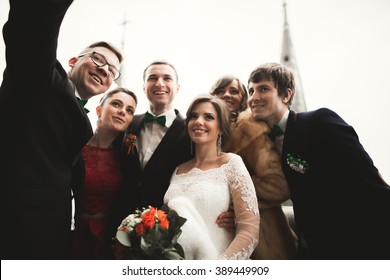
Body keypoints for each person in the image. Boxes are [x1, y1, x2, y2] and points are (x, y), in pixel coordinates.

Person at [0, 0, 123, 259]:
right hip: (15, 236)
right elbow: (32, 27)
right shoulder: (41, 79)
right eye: (98, 59)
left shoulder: (86, 122)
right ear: (72, 61)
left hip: (55, 241)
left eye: (112, 70)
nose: (104, 69)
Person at [247, 62, 390, 259]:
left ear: (286, 95)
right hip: (313, 250)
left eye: (263, 89)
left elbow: (369, 180)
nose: (254, 97)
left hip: (359, 244)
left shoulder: (319, 122)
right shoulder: (261, 143)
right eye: (251, 91)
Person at [108, 61, 235, 247]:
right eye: (153, 78)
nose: (159, 83)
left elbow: (210, 169)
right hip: (118, 226)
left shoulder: (191, 132)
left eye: (167, 78)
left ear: (177, 87)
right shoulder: (127, 124)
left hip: (166, 235)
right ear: (144, 87)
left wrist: (231, 209)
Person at [164, 95, 259, 259]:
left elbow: (249, 230)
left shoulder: (232, 164)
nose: (199, 121)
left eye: (208, 117)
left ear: (221, 127)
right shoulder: (178, 170)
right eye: (193, 116)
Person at [212, 75, 297, 259]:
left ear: (243, 99)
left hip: (264, 239)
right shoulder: (206, 137)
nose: (227, 95)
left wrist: (237, 207)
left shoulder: (251, 129)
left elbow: (277, 185)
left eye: (234, 91)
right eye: (221, 91)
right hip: (218, 238)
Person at [72, 87, 137, 260]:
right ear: (99, 110)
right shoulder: (74, 147)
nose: (122, 111)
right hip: (69, 234)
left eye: (129, 110)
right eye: (116, 104)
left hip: (107, 238)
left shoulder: (127, 159)